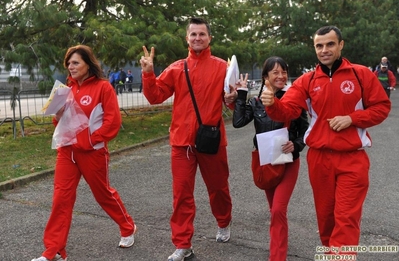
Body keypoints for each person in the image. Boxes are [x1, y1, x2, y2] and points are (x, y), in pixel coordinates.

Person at [260, 26, 391, 257]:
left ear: (341, 45)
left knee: (346, 219)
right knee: (326, 219)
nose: (324, 50)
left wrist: (352, 118)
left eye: (330, 44)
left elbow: (381, 108)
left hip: (352, 159)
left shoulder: (361, 75)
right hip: (319, 159)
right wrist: (272, 104)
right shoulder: (307, 80)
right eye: (319, 46)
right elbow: (288, 111)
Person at [139, 17, 237, 261]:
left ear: (209, 38)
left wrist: (235, 97)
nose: (197, 38)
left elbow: (233, 105)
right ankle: (183, 244)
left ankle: (223, 221)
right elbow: (155, 96)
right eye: (193, 34)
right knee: (181, 194)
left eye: (202, 34)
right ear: (187, 38)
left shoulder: (222, 68)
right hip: (182, 143)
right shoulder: (176, 68)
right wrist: (148, 74)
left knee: (218, 188)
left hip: (211, 140)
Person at [32, 45, 137, 261]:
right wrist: (57, 114)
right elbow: (58, 122)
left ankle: (128, 227)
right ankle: (54, 250)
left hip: (93, 152)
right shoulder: (65, 90)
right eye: (68, 63)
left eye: (75, 62)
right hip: (66, 152)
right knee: (61, 199)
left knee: (103, 194)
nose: (71, 67)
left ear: (88, 64)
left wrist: (92, 140)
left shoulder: (103, 87)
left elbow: (112, 121)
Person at [233, 57, 309, 261]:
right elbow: (238, 122)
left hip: (288, 160)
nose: (281, 76)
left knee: (277, 210)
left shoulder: (293, 99)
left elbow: (306, 129)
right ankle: (280, 236)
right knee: (274, 209)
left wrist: (297, 144)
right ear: (265, 76)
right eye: (275, 72)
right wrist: (241, 94)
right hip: (265, 160)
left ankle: (277, 256)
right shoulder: (256, 102)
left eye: (284, 71)